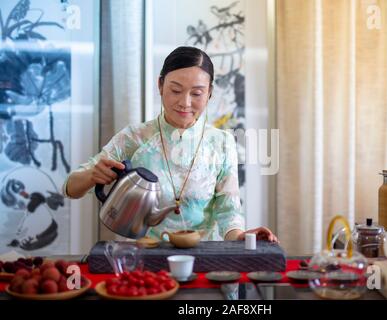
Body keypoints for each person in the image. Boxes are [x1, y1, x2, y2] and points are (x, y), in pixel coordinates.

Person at [63, 46, 278, 242]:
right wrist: (92, 175)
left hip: (205, 261)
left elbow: (227, 211)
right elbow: (70, 188)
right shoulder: (134, 137)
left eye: (196, 93)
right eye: (176, 90)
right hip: (145, 264)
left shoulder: (222, 142)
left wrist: (241, 237)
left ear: (210, 93)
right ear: (160, 85)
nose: (185, 102)